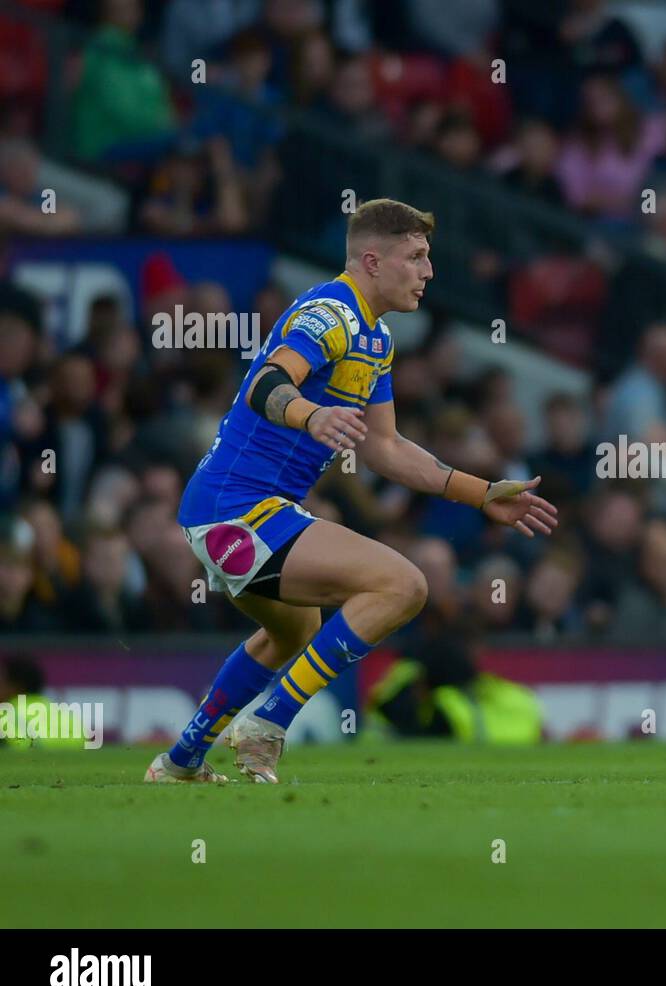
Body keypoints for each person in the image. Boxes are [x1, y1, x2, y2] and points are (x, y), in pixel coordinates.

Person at [146, 198, 557, 784]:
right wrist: (311, 416)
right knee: (403, 584)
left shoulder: (376, 339)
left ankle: (180, 761)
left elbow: (386, 448)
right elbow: (267, 381)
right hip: (236, 510)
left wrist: (482, 492)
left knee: (295, 632)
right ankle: (268, 723)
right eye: (415, 257)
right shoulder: (329, 311)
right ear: (372, 260)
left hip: (246, 512)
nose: (428, 271)